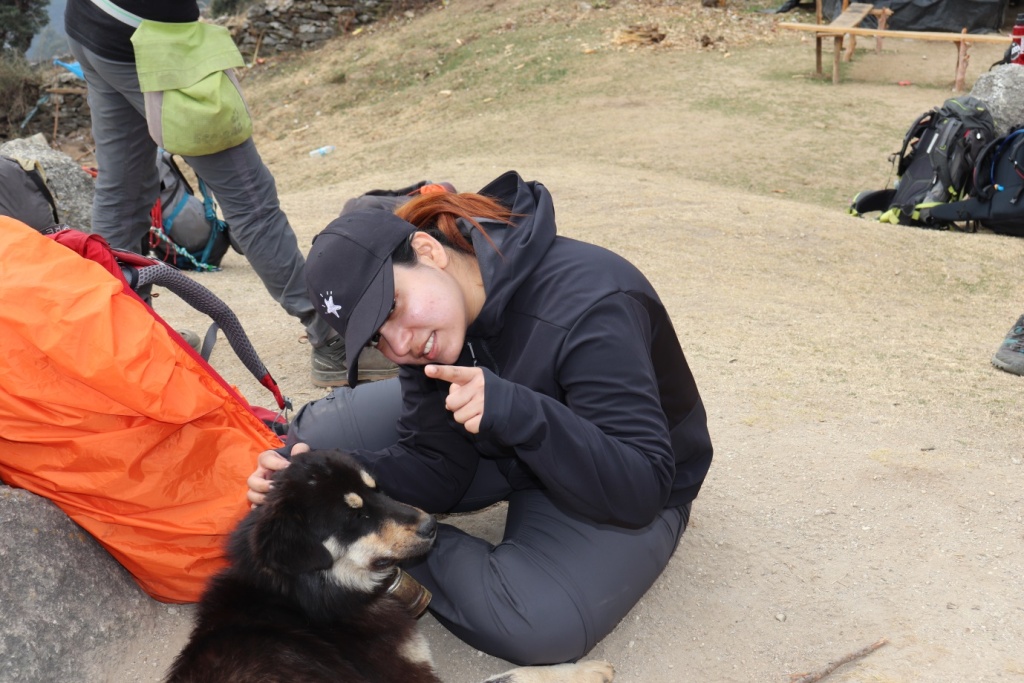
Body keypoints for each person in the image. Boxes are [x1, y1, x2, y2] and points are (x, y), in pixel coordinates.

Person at [247, 171, 714, 665]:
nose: (400, 344)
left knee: (534, 622)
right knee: (315, 440)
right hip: (494, 436)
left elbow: (640, 487)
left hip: (618, 476)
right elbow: (438, 464)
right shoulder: (428, 332)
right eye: (377, 336)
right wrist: (327, 478)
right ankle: (362, 526)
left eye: (393, 306)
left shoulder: (592, 303)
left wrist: (521, 414)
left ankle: (376, 554)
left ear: (428, 252)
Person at [63, 0, 395, 387]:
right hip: (149, 34)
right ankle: (333, 338)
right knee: (250, 199)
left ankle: (127, 340)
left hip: (93, 22)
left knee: (123, 190)